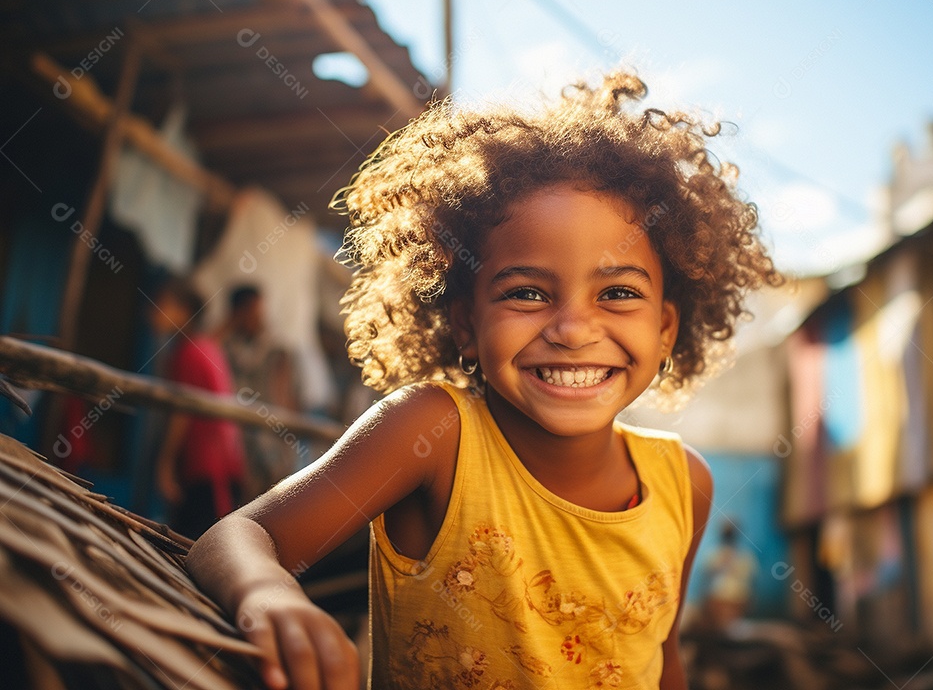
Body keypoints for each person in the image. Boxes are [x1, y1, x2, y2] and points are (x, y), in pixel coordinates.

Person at [187, 71, 779, 690]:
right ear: (467, 323)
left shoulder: (686, 485)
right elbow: (236, 534)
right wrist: (268, 592)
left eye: (618, 293)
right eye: (526, 292)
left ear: (664, 328)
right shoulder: (434, 436)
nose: (573, 329)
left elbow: (664, 661)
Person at [150, 277, 245, 539]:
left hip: (206, 471)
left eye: (162, 305)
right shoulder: (207, 347)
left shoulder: (188, 353)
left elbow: (181, 413)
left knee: (194, 547)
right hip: (221, 468)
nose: (153, 312)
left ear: (184, 311)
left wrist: (165, 465)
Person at [219, 284, 299, 499]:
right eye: (251, 311)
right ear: (237, 313)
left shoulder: (277, 349)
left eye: (259, 310)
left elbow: (285, 397)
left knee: (271, 498)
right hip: (236, 437)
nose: (258, 317)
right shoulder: (224, 346)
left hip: (270, 436)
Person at [705, 521, 758, 632]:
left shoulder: (745, 556)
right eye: (727, 533)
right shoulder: (715, 555)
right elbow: (707, 576)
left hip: (738, 598)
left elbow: (751, 579)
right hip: (718, 597)